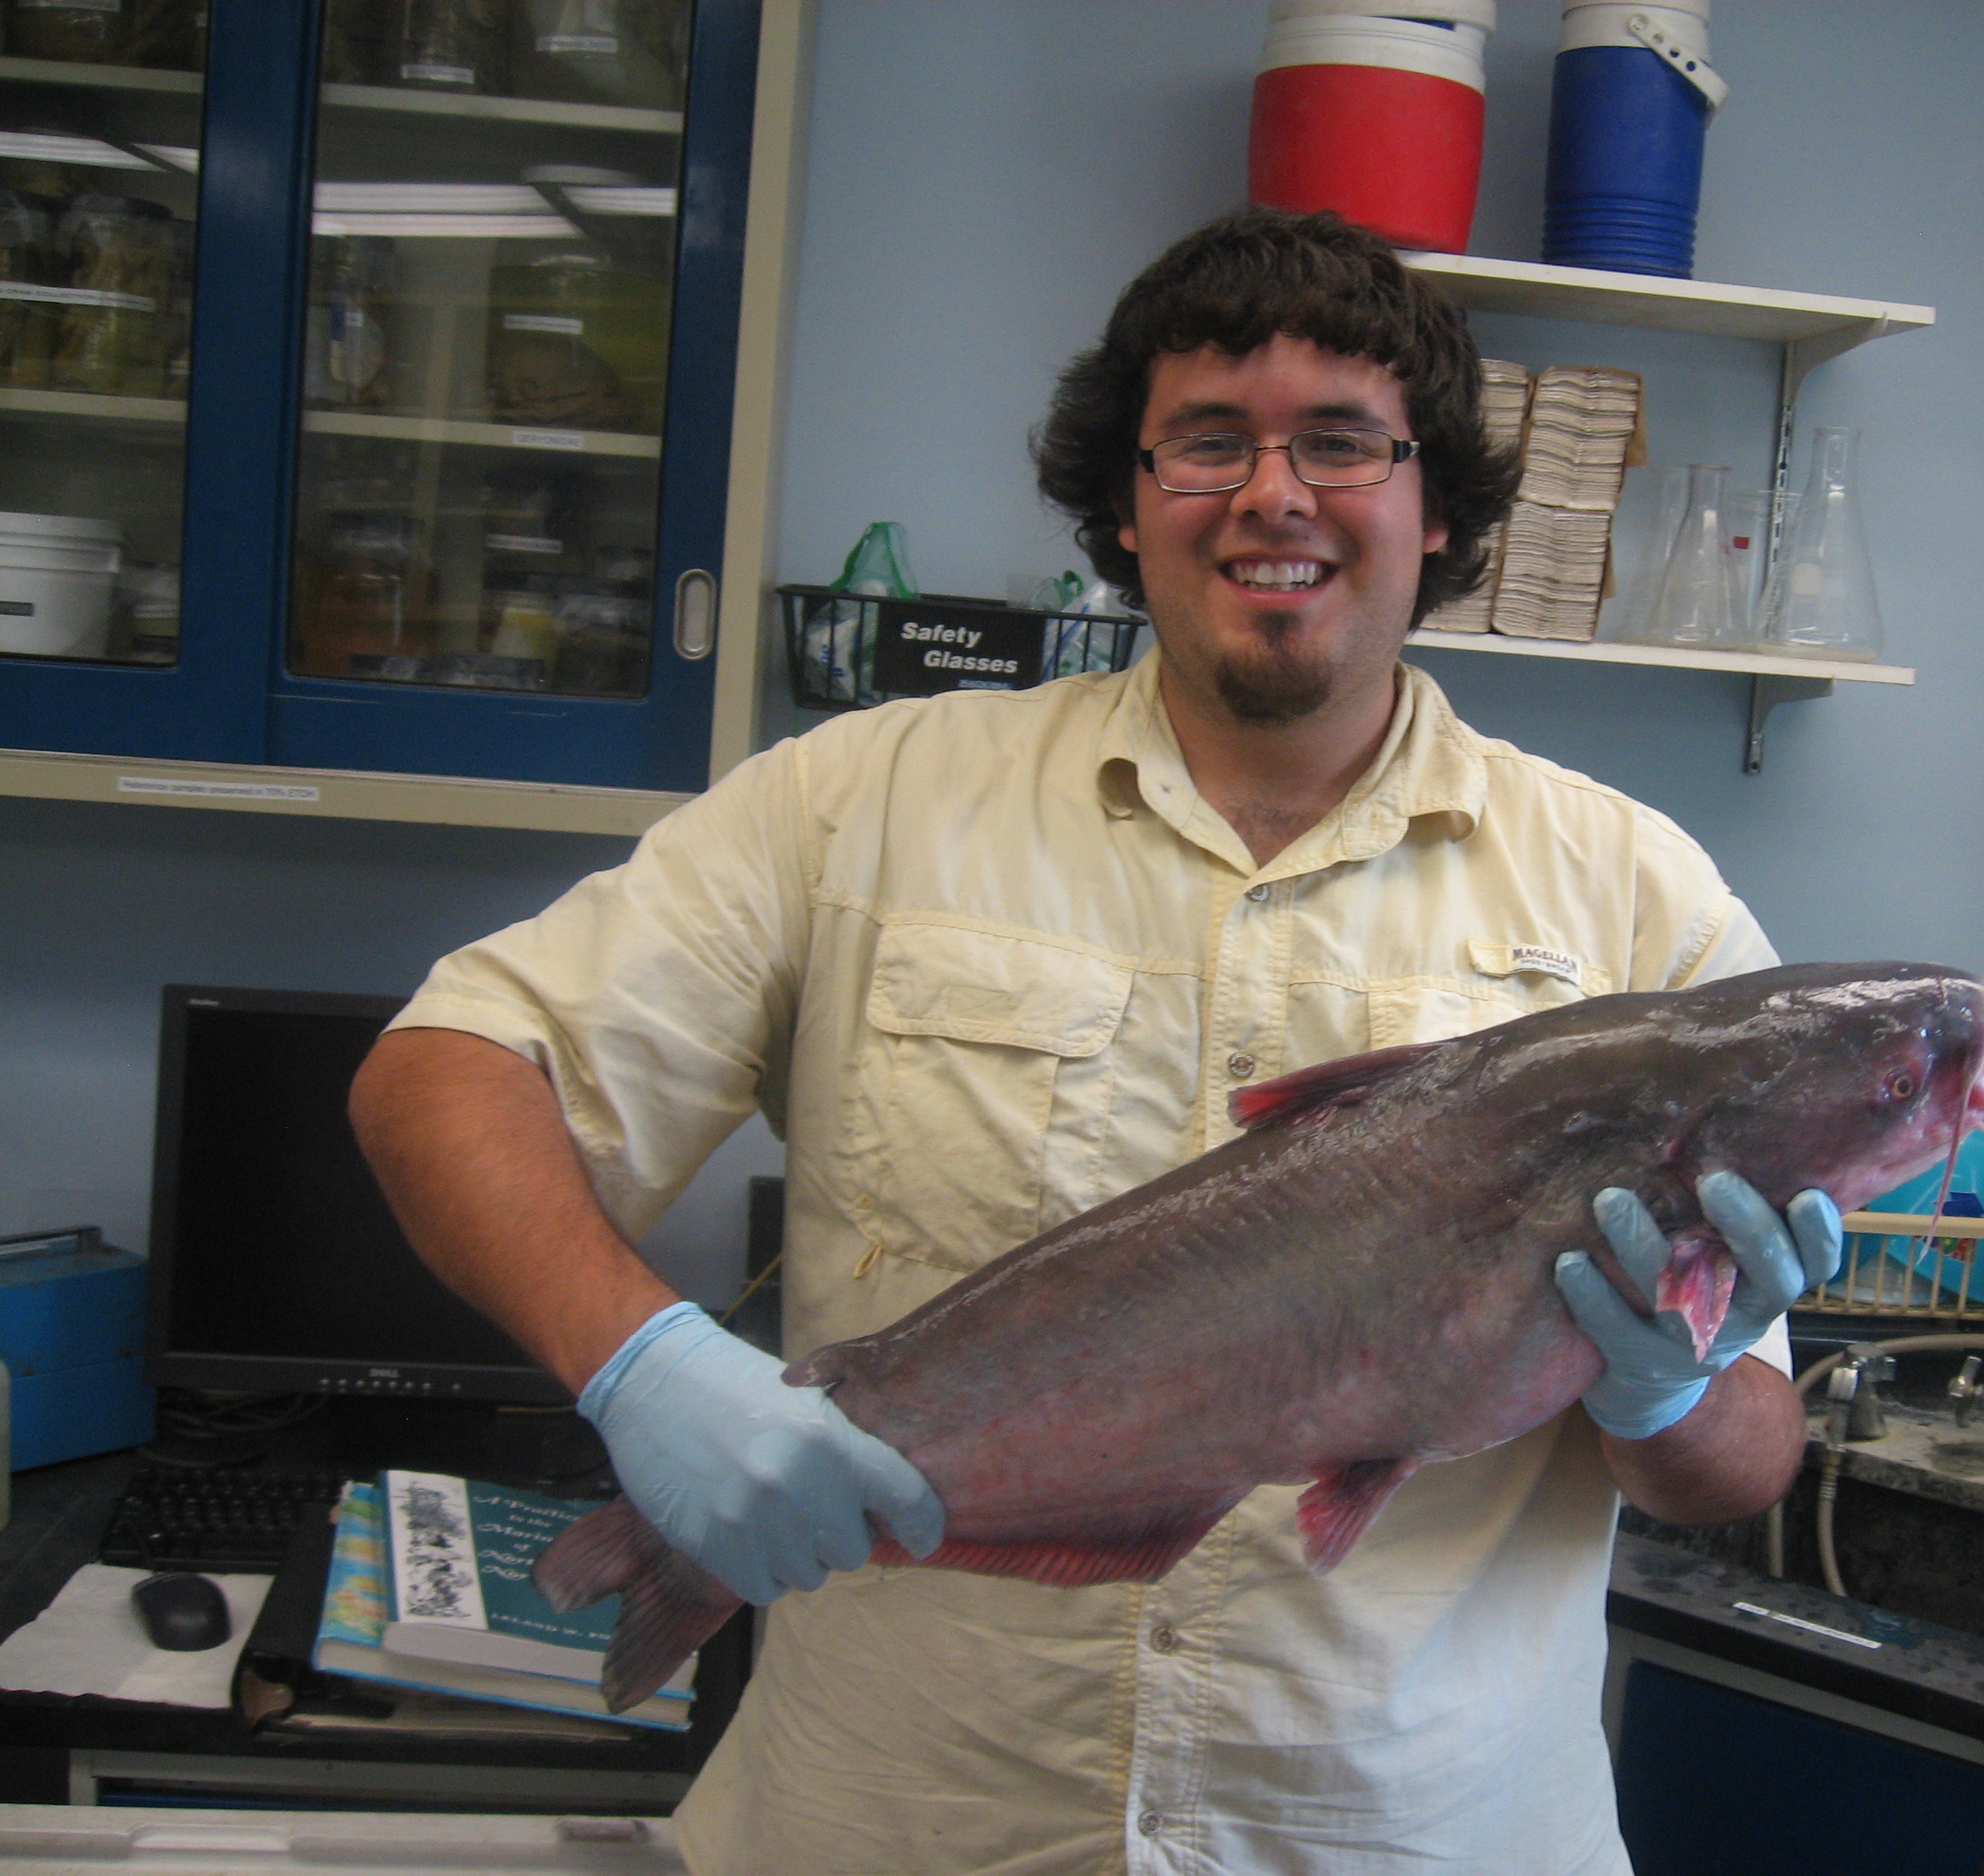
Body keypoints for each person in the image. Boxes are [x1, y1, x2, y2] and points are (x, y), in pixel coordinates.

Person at [351, 205, 1838, 1875]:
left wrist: (1676, 1378)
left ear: (1439, 511)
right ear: (1125, 508)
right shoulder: (865, 803)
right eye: (1208, 443)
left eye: (1343, 445)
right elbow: (450, 1064)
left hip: (1412, 1837)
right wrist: (640, 1365)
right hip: (900, 1828)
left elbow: (1740, 1469)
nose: (1274, 495)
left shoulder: (1638, 900)